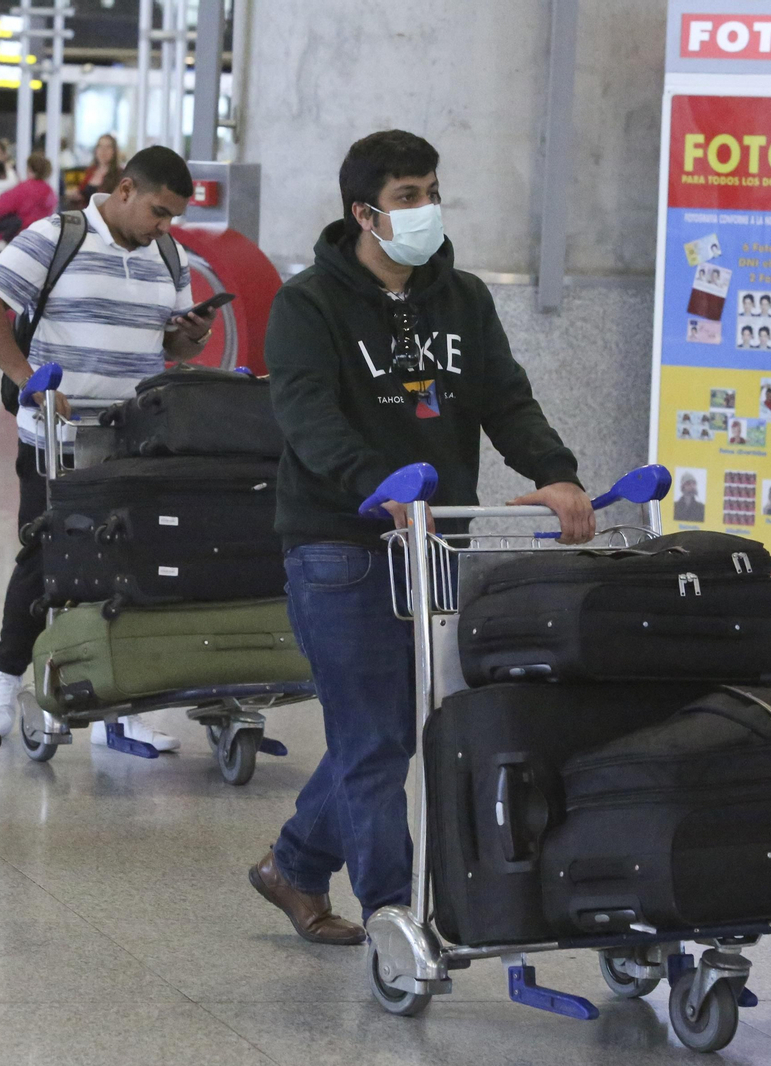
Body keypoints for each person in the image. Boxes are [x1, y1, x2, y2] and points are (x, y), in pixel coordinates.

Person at [246, 130, 594, 944]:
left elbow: (505, 399)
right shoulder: (308, 305)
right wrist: (377, 484)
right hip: (337, 544)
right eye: (407, 196)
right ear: (363, 213)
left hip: (437, 543)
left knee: (399, 731)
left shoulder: (462, 298)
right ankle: (394, 920)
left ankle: (293, 865)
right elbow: (306, 418)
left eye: (432, 192)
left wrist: (557, 473)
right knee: (373, 737)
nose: (426, 209)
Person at [0, 146, 217, 754]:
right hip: (55, 438)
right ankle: (3, 685)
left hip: (132, 437)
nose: (165, 225)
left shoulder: (168, 255)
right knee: (46, 557)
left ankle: (117, 705)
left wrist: (191, 336)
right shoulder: (56, 237)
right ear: (125, 190)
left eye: (173, 216)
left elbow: (172, 348)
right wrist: (28, 377)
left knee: (129, 561)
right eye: (158, 211)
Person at [0, 154, 59, 244]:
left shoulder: (25, 188)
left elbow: (1, 207)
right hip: (42, 237)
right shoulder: (51, 192)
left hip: (21, 236)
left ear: (29, 169)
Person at [70, 133, 122, 208]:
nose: (103, 151)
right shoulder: (90, 171)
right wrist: (77, 196)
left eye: (108, 147)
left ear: (114, 151)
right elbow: (83, 193)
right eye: (100, 146)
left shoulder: (120, 174)